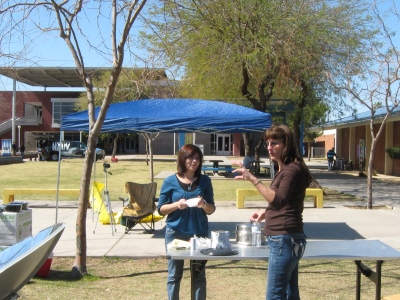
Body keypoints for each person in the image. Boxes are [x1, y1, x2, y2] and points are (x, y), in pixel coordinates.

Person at [234, 124, 312, 300]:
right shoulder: (286, 169)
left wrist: (252, 178)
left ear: (287, 145)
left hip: (283, 239)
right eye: (268, 143)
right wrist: (265, 212)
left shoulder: (291, 169)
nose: (269, 147)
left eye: (275, 143)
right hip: (289, 238)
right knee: (290, 294)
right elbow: (285, 201)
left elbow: (278, 200)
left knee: (275, 295)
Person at [158, 144, 216, 300]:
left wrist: (203, 204)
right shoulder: (170, 181)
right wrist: (177, 205)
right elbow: (161, 209)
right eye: (190, 157)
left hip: (199, 234)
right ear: (182, 159)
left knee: (199, 276)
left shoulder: (205, 181)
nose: (194, 161)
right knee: (174, 275)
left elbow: (211, 209)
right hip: (175, 233)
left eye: (197, 158)